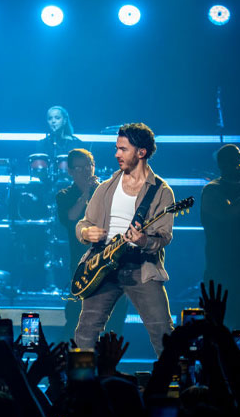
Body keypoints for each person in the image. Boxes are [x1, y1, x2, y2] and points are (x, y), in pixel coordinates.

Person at [75, 123, 175, 356]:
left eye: (123, 149)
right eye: (116, 148)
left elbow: (164, 236)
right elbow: (84, 223)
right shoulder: (107, 187)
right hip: (102, 266)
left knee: (163, 332)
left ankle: (172, 386)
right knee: (86, 332)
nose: (116, 154)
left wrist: (143, 241)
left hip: (140, 267)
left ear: (141, 152)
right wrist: (86, 233)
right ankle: (83, 386)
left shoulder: (161, 191)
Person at [55, 149, 127, 341]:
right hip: (83, 266)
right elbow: (70, 218)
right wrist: (87, 193)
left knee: (114, 321)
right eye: (79, 168)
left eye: (88, 166)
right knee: (76, 320)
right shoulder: (65, 195)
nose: (85, 172)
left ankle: (108, 365)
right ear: (70, 171)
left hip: (112, 265)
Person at [201, 143, 240, 329]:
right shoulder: (212, 189)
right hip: (222, 270)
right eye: (234, 159)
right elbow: (225, 214)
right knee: (220, 326)